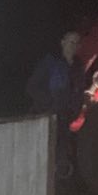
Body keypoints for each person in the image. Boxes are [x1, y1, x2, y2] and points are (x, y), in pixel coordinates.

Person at [27, 28, 83, 174]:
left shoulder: (78, 66)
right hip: (46, 117)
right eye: (70, 42)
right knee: (43, 152)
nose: (73, 46)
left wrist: (75, 111)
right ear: (63, 42)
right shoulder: (50, 62)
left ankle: (59, 176)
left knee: (60, 152)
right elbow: (33, 86)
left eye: (76, 43)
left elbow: (79, 91)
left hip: (65, 118)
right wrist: (49, 104)